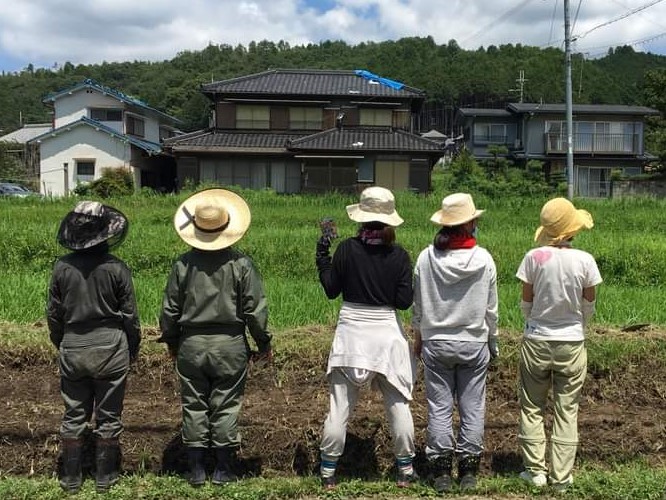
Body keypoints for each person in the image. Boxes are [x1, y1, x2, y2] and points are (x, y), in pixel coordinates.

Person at [158, 188, 272, 487]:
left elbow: (169, 309)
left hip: (191, 345)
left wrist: (171, 342)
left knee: (194, 404)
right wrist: (263, 344)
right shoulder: (241, 264)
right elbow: (254, 310)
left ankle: (196, 470)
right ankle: (223, 470)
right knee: (226, 404)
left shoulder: (183, 264)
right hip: (230, 344)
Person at [315, 186, 416, 490]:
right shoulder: (399, 255)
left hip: (351, 333)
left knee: (339, 406)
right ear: (389, 222)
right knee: (398, 403)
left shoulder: (346, 249)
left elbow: (332, 289)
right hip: (386, 334)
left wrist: (322, 256)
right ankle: (405, 470)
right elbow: (403, 302)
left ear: (361, 218)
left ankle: (329, 472)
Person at [47, 201, 141, 494]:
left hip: (74, 345)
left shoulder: (61, 268)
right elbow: (130, 317)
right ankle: (105, 477)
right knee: (109, 415)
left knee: (74, 414)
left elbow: (53, 314)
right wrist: (132, 348)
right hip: (111, 347)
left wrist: (62, 343)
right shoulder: (116, 268)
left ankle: (71, 478)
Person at [411, 192, 498, 493]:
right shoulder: (484, 259)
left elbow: (418, 305)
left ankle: (441, 472)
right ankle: (469, 470)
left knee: (439, 407)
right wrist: (493, 343)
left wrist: (418, 337)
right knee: (472, 407)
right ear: (470, 222)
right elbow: (491, 310)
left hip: (436, 342)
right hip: (474, 342)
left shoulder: (427, 257)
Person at [516, 197, 602, 492]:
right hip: (572, 342)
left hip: (537, 339)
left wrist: (534, 321)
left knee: (532, 407)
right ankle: (561, 478)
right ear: (571, 230)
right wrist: (580, 323)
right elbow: (588, 302)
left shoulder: (533, 257)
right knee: (568, 409)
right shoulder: (585, 260)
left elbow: (526, 301)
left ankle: (535, 471)